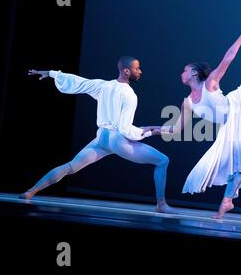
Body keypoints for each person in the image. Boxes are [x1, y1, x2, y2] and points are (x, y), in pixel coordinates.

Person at [154, 3, 241, 218]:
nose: (181, 73)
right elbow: (174, 130)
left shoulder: (210, 82)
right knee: (238, 161)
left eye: (184, 70)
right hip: (231, 126)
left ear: (193, 72)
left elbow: (228, 57)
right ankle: (227, 201)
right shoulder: (188, 102)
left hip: (239, 102)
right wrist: (149, 130)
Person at [19, 56, 174, 213]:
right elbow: (125, 129)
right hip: (117, 140)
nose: (140, 71)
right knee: (162, 161)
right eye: (137, 68)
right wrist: (151, 132)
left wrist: (51, 73)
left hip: (101, 138)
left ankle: (30, 191)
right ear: (126, 71)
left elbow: (77, 81)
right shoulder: (130, 95)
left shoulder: (103, 86)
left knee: (71, 167)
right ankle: (161, 204)